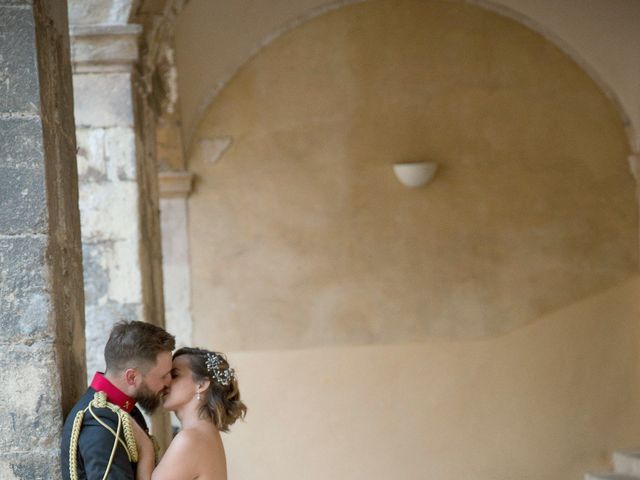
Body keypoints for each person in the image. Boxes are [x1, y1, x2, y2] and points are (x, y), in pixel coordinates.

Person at [61, 321, 175, 480]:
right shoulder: (98, 424)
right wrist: (146, 451)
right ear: (132, 377)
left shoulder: (122, 410)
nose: (169, 382)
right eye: (163, 376)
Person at [132, 347, 247, 480]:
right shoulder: (206, 435)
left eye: (174, 375)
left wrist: (145, 448)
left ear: (201, 384)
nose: (166, 382)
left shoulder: (191, 439)